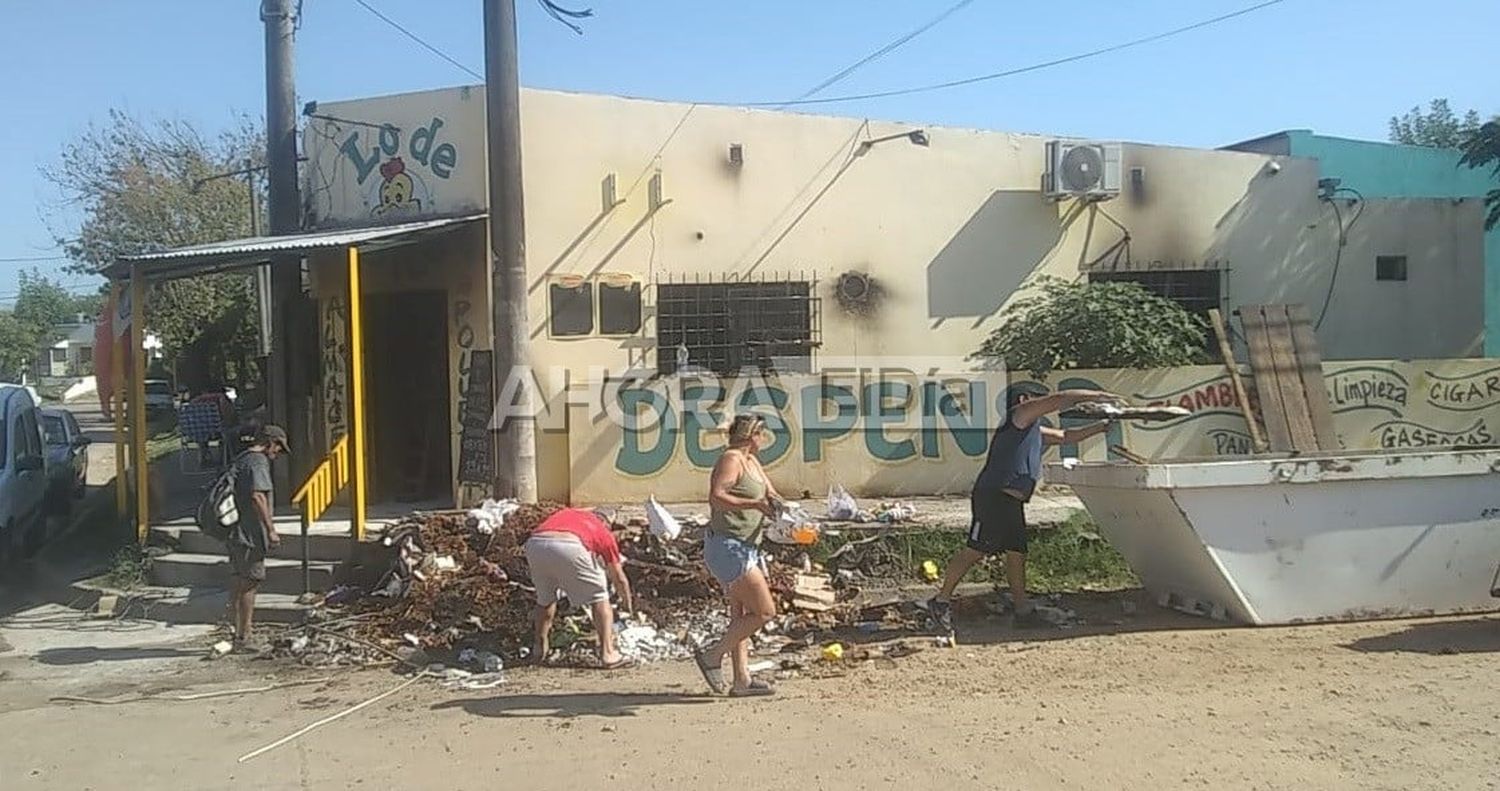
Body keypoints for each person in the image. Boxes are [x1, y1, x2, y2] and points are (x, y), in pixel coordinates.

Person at [927, 389, 1120, 631]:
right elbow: (1058, 400)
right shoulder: (1018, 416)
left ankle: (1022, 611)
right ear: (1023, 400)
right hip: (994, 496)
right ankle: (940, 601)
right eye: (1034, 397)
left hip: (1011, 502)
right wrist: (1099, 396)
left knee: (1017, 553)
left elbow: (1064, 436)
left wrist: (1102, 427)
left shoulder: (1032, 430)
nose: (1039, 401)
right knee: (976, 549)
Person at [694, 413, 780, 697]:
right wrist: (754, 504)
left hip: (747, 545)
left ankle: (741, 680)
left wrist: (783, 509)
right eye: (761, 433)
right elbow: (717, 496)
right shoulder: (731, 459)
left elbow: (771, 494)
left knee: (740, 615)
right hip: (729, 547)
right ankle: (711, 657)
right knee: (765, 612)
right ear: (750, 435)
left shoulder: (752, 461)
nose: (764, 438)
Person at [524, 507, 635, 669]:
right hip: (570, 545)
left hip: (535, 544)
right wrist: (627, 604)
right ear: (606, 522)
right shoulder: (602, 531)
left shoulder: (570, 513)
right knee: (599, 597)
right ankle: (609, 654)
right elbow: (619, 578)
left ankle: (539, 649)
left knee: (545, 598)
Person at [227, 425, 288, 653]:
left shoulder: (241, 459)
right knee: (250, 582)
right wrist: (271, 529)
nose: (278, 453)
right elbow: (257, 496)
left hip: (234, 532)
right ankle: (244, 638)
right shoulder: (258, 462)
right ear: (270, 442)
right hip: (249, 534)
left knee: (238, 580)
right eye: (279, 447)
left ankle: (238, 632)